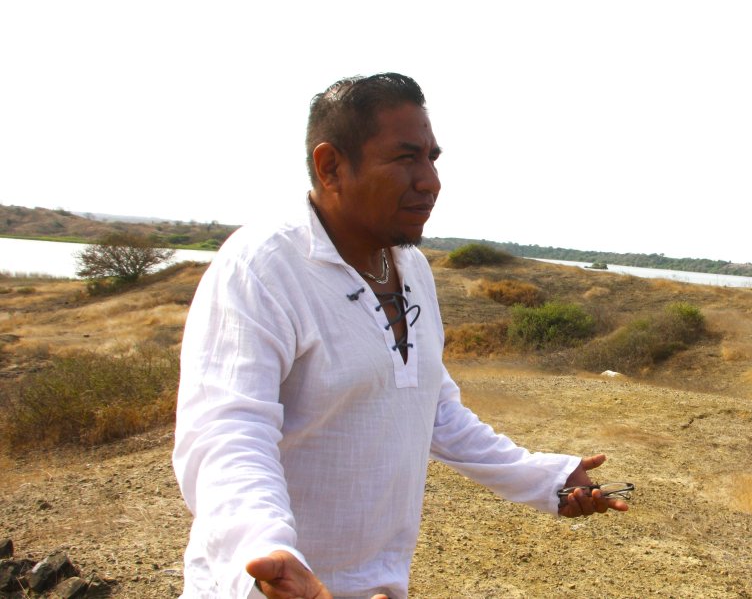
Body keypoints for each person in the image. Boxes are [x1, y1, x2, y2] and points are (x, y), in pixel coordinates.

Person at [172, 72, 627, 599]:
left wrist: (548, 478)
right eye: (406, 157)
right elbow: (227, 433)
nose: (431, 180)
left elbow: (434, 410)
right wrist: (270, 551)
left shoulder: (411, 269)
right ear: (331, 166)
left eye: (433, 158)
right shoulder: (263, 267)